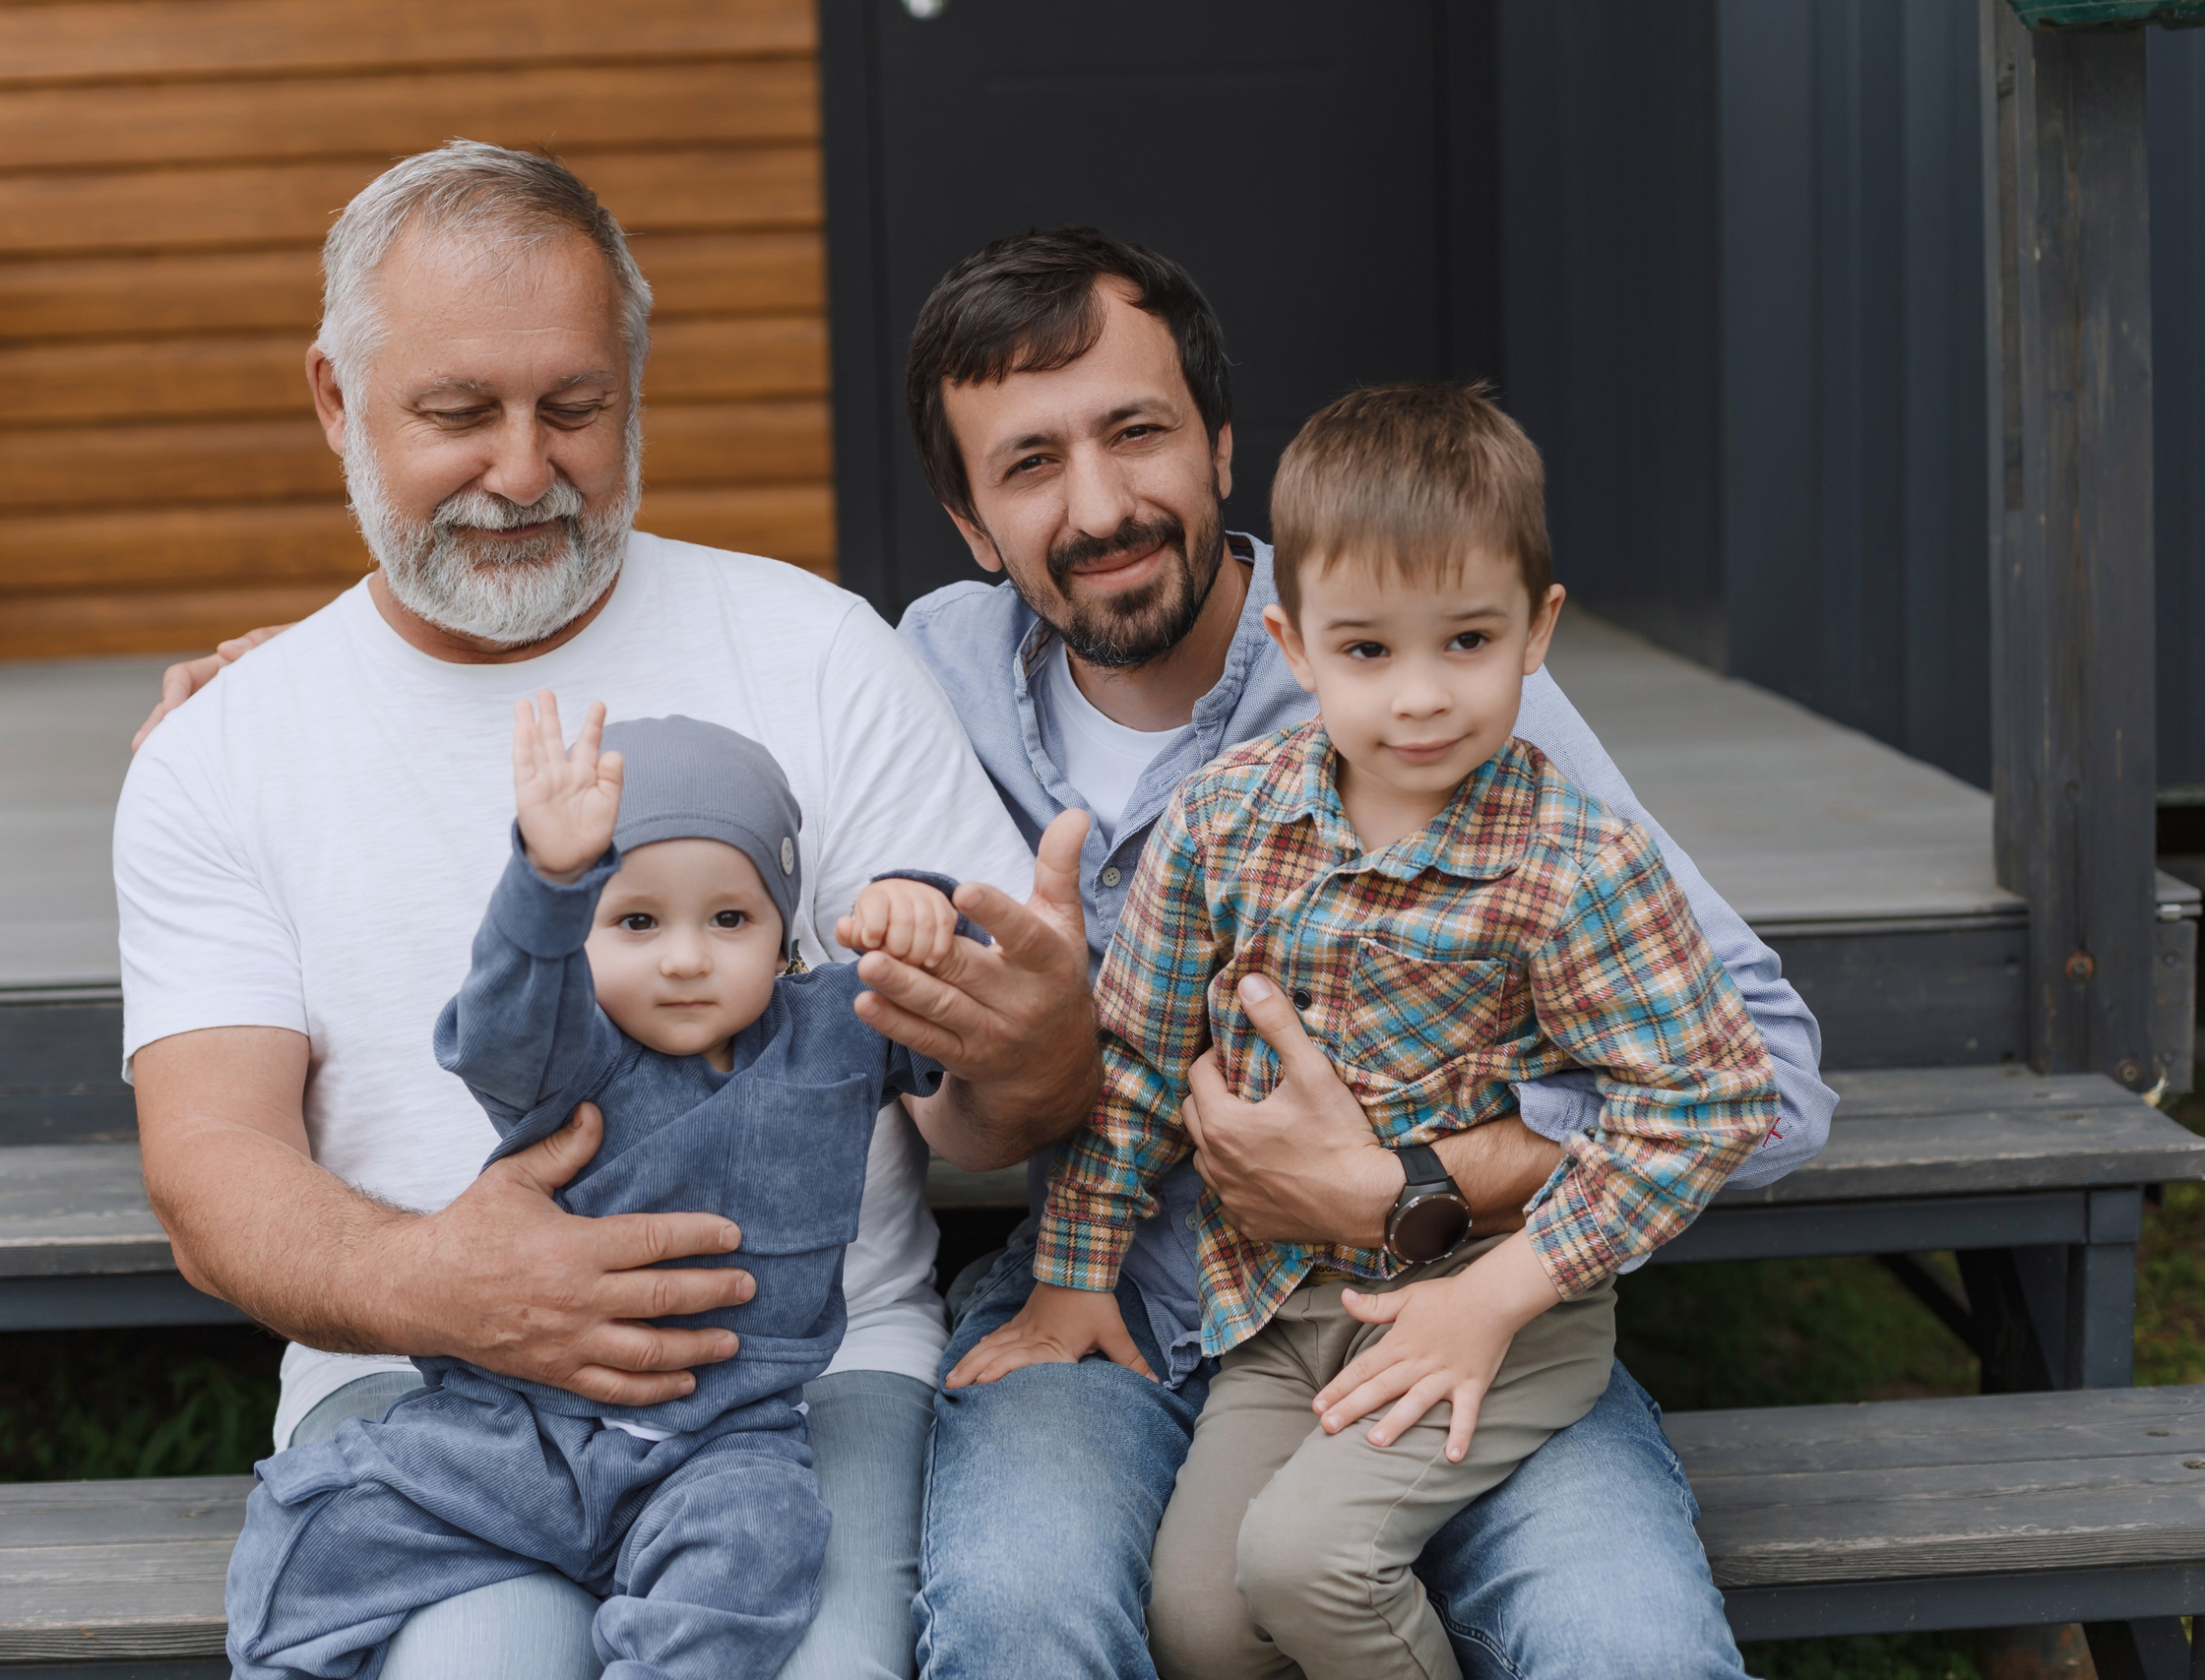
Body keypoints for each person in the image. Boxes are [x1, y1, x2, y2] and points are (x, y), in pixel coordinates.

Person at [145, 224, 1838, 1677]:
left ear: (1222, 444)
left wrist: (1411, 1182)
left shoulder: (1436, 691)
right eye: (1031, 466)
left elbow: (1766, 1076)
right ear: (968, 526)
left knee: (1626, 1640)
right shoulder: (932, 668)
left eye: (1136, 433)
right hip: (1109, 1307)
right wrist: (299, 674)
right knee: (1022, 1616)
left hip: (1458, 1295)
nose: (1100, 505)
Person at [116, 143, 1096, 1680]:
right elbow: (209, 1155)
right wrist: (438, 1281)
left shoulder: (813, 649)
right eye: (460, 413)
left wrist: (1032, 1053)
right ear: (335, 400)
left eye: (574, 407)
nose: (523, 469)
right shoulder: (231, 746)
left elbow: (981, 1117)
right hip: (427, 1386)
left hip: (801, 1382)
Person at [952, 383, 1780, 1680]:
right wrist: (1075, 1267)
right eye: (1368, 649)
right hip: (1280, 1307)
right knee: (1207, 1618)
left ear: (1538, 630)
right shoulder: (1227, 824)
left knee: (1303, 1560)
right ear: (1291, 643)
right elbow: (1135, 1060)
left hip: (1504, 1306)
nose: (1421, 697)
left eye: (1466, 640)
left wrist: (1502, 1288)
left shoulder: (1577, 861)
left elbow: (1718, 1094)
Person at [222, 702, 976, 1679]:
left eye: (729, 919)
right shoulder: (567, 1050)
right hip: (518, 1428)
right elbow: (501, 1014)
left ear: (783, 931)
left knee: (761, 1550)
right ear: (583, 932)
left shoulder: (835, 1030)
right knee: (329, 1515)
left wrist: (924, 914)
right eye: (634, 919)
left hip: (720, 1443)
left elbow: (969, 1012)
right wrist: (546, 884)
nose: (683, 957)